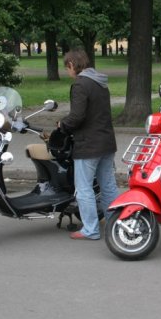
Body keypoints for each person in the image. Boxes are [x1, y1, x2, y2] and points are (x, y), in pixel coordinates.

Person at [58, 49, 119, 240]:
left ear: (71, 65)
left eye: (67, 67)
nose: (67, 72)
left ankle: (90, 230)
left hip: (88, 144)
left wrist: (62, 125)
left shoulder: (80, 84)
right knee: (108, 186)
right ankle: (115, 223)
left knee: (84, 188)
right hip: (106, 142)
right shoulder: (100, 82)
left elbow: (77, 116)